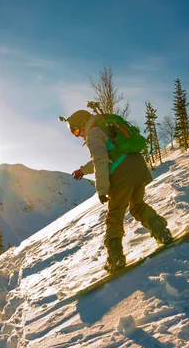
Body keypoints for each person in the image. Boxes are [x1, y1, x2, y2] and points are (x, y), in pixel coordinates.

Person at [62, 109, 173, 272]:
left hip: (121, 174)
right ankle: (162, 232)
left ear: (83, 123)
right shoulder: (106, 126)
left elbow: (101, 160)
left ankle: (116, 258)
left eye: (76, 131)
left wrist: (101, 189)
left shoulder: (93, 133)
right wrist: (83, 170)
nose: (78, 135)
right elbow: (110, 154)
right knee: (138, 206)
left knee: (114, 215)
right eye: (74, 133)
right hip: (138, 167)